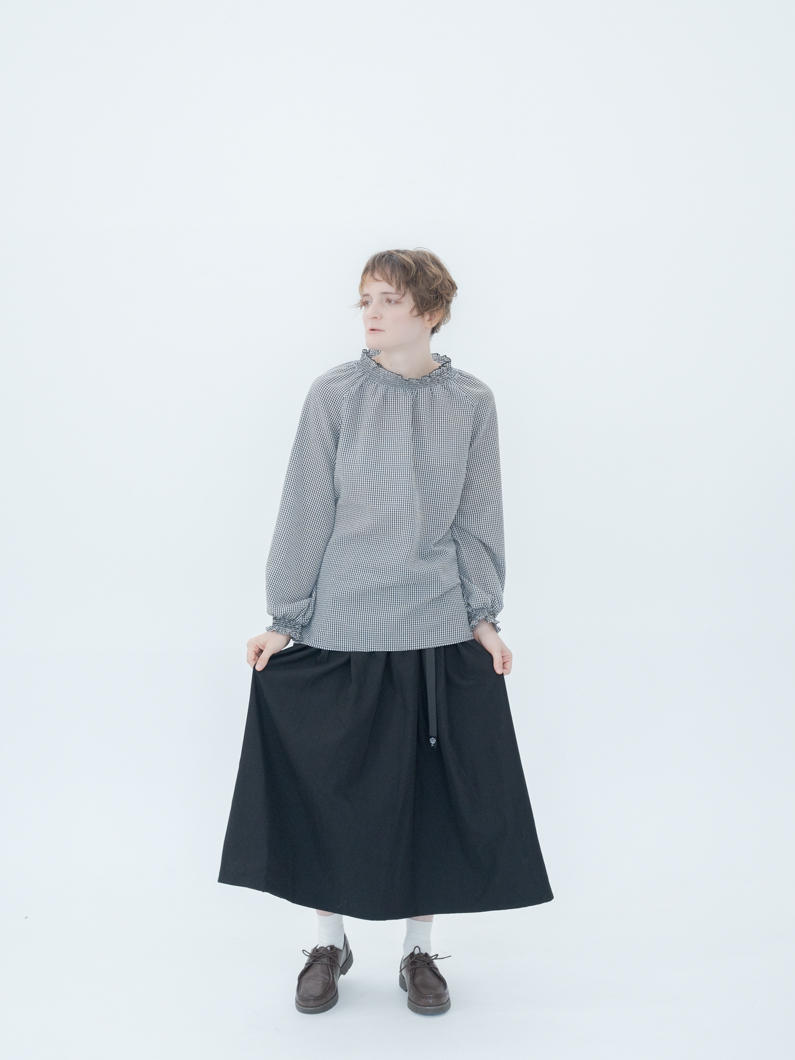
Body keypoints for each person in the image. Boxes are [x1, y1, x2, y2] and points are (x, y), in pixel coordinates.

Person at [218, 247, 554, 1016]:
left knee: (426, 797)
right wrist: (284, 620)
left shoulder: (471, 401)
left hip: (433, 626)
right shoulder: (334, 393)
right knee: (331, 788)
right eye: (364, 299)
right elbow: (305, 507)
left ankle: (417, 951)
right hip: (341, 626)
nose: (369, 313)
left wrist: (483, 619)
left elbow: (477, 517)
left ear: (429, 312)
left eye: (388, 300)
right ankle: (327, 943)